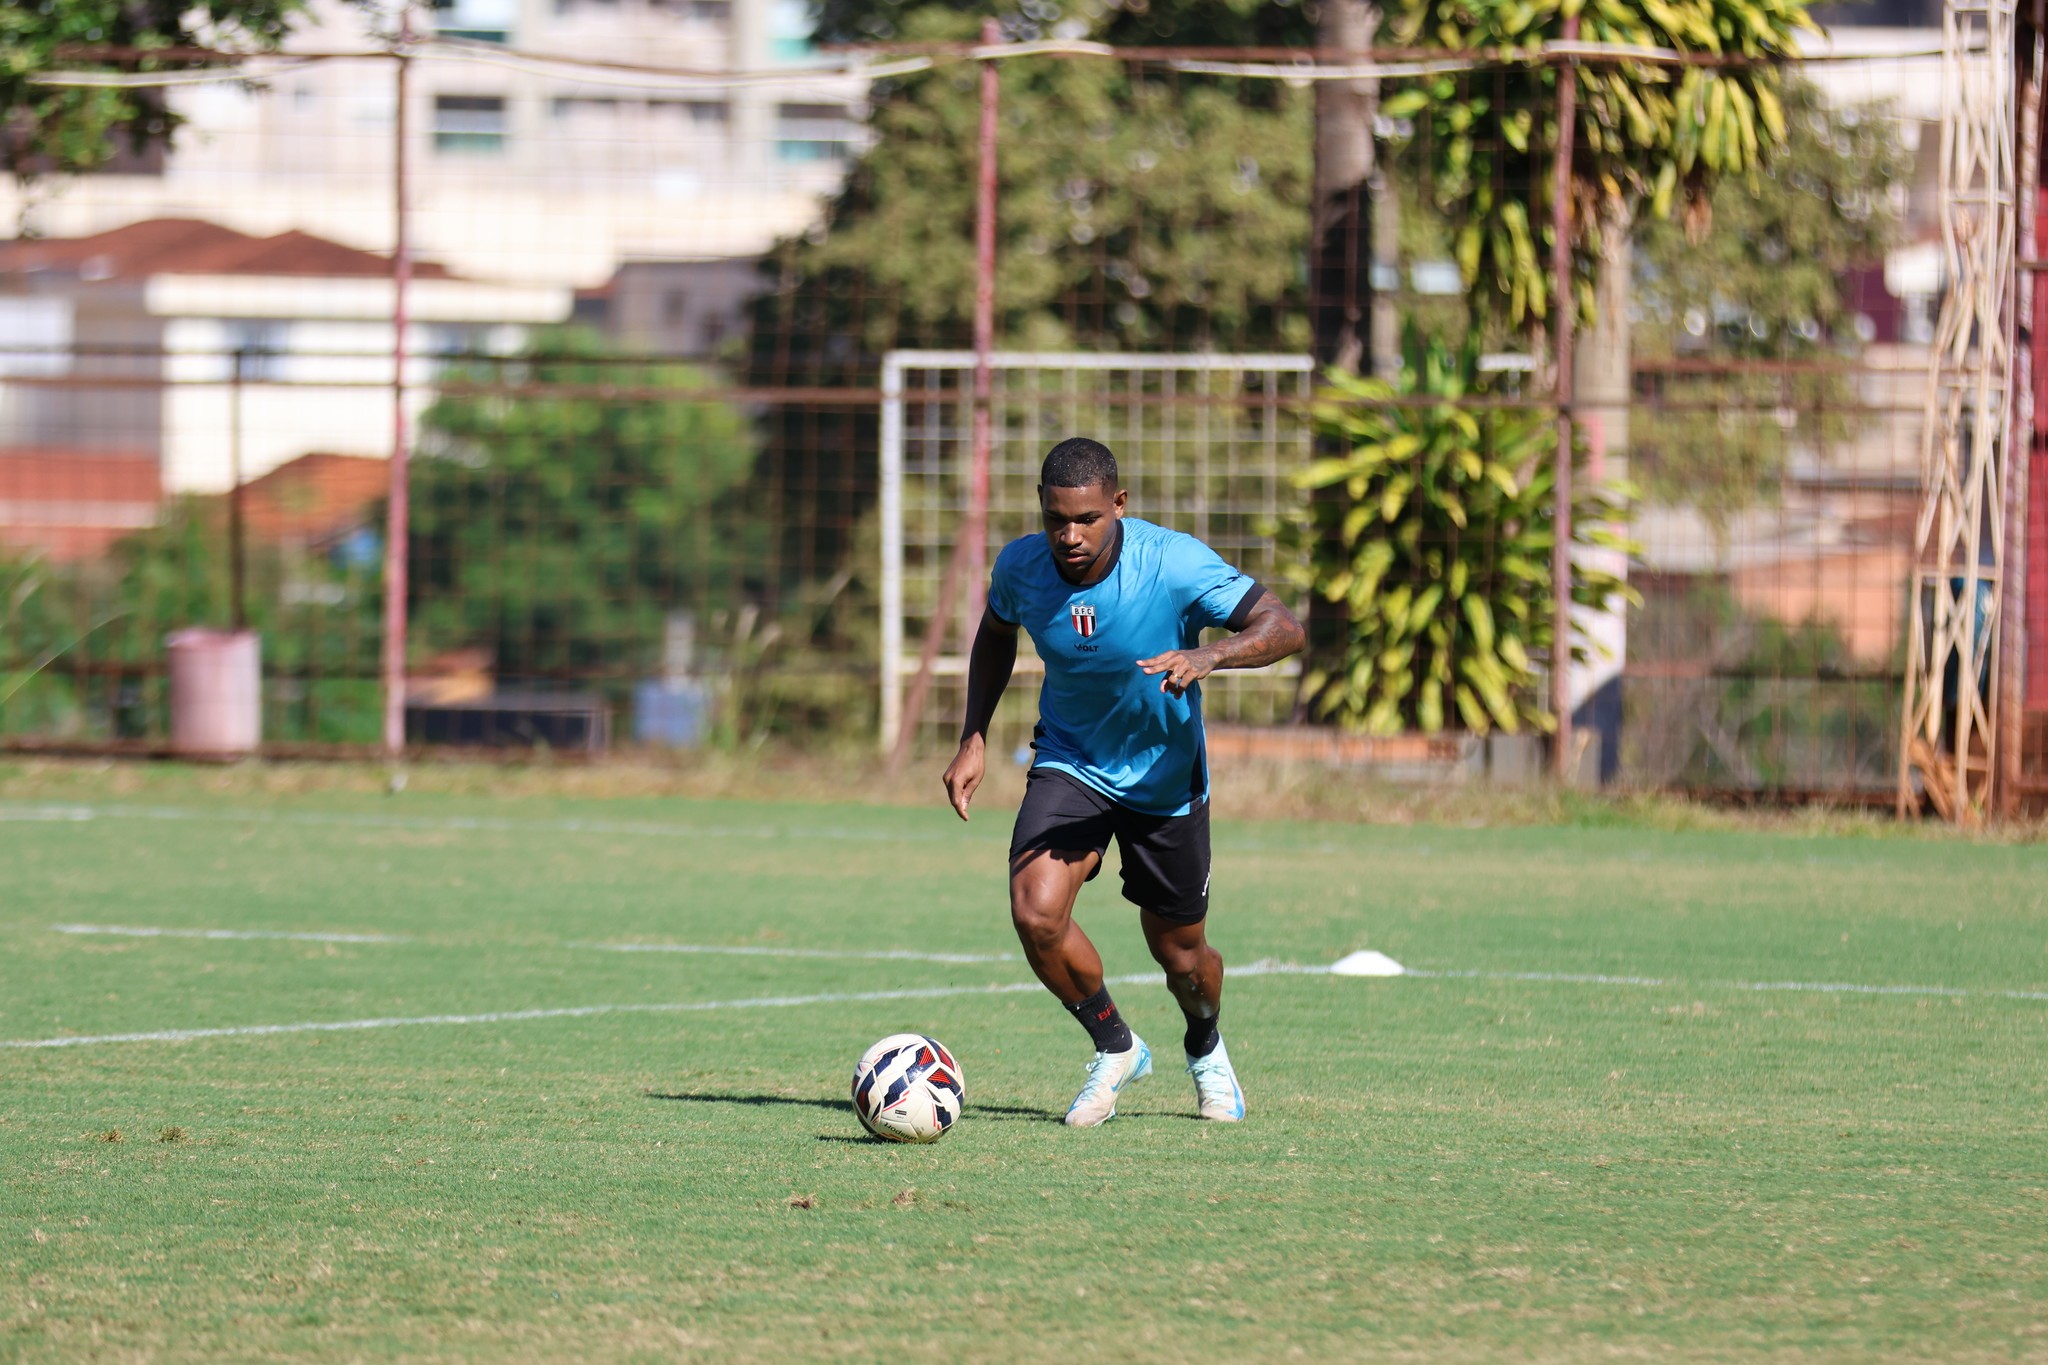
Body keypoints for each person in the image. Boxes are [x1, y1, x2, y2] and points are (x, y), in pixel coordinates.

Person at [942, 437, 1306, 1127]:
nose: (1070, 536)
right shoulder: (1021, 565)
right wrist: (974, 734)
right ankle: (1116, 1045)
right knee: (1035, 911)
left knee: (1181, 952)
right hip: (1071, 760)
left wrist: (1212, 652)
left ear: (1119, 504)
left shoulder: (1171, 562)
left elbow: (1284, 626)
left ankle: (1205, 1046)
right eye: (1056, 520)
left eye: (1087, 519)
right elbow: (996, 632)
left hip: (1164, 778)